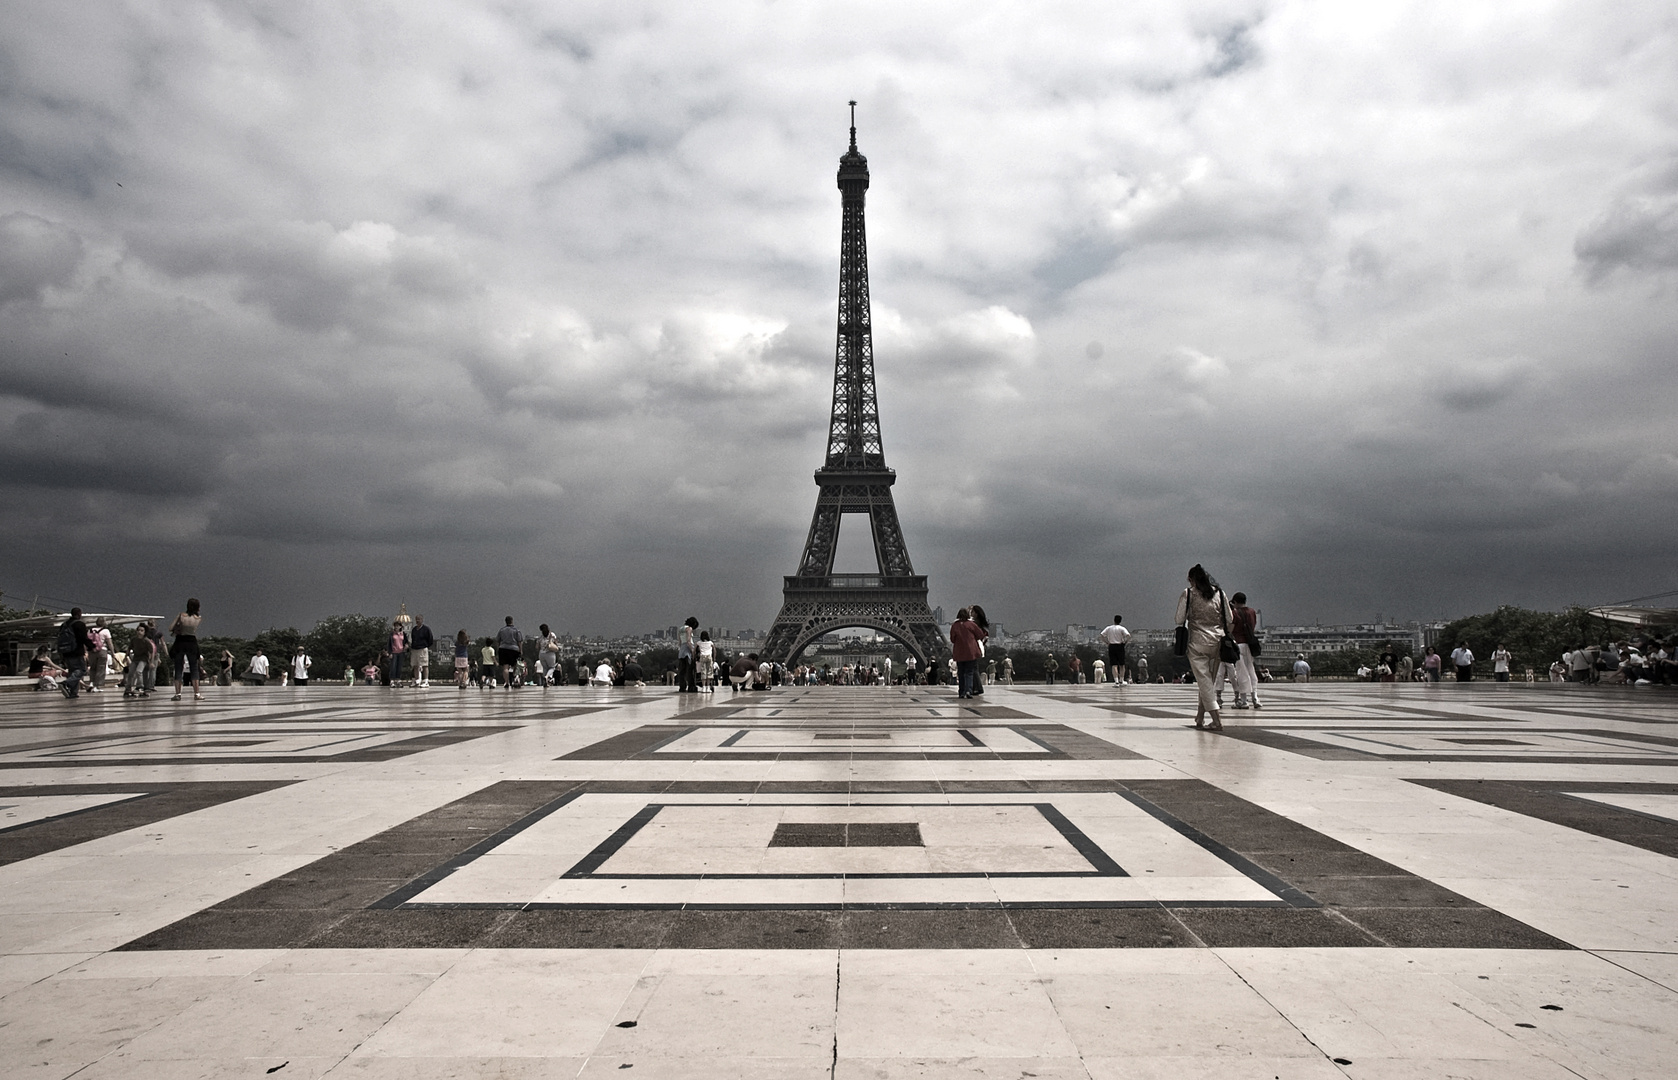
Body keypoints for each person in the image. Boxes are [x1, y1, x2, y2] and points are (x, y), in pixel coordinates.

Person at [1176, 566, 1233, 730]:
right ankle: (1200, 717)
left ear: (1191, 580)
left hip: (1197, 642)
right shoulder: (1220, 594)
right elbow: (1229, 617)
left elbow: (1179, 619)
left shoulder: (1188, 594)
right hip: (1217, 642)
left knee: (1204, 682)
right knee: (1207, 682)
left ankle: (1216, 719)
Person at [1229, 592, 1263, 710]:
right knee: (1251, 670)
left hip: (1239, 644)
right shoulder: (1252, 612)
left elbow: (1231, 629)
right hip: (1250, 644)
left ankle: (1243, 700)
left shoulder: (1234, 613)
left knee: (1241, 672)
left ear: (1235, 602)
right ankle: (1255, 696)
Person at [168, 599, 204, 701]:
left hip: (180, 642)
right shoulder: (198, 618)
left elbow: (170, 628)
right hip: (191, 642)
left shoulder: (181, 616)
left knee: (178, 668)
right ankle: (197, 693)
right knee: (194, 668)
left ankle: (178, 693)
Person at [950, 607, 988, 698]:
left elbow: (952, 639)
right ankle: (969, 691)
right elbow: (980, 635)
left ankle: (961, 692)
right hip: (971, 652)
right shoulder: (971, 624)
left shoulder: (955, 625)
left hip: (959, 652)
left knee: (961, 673)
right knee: (969, 672)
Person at [56, 607, 89, 700]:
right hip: (76, 651)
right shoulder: (79, 624)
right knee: (82, 670)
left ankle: (73, 693)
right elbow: (83, 638)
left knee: (72, 671)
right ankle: (66, 683)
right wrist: (91, 646)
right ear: (79, 614)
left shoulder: (64, 625)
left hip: (65, 651)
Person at [1098, 616, 1131, 685]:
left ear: (1114, 620)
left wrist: (1107, 642)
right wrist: (1125, 642)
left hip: (1112, 646)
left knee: (1114, 664)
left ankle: (1116, 680)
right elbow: (1128, 636)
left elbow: (1101, 635)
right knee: (1122, 664)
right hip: (1120, 646)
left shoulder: (1109, 628)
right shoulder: (1122, 628)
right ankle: (1121, 680)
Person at [495, 616, 523, 690]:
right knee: (515, 666)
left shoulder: (501, 630)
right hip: (514, 649)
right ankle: (515, 679)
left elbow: (498, 640)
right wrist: (520, 650)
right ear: (512, 621)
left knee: (505, 667)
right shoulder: (516, 630)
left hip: (503, 649)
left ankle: (506, 682)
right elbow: (519, 641)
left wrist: (499, 648)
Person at [124, 627, 154, 697]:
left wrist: (151, 662)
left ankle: (140, 686)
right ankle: (128, 687)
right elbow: (129, 648)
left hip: (143, 659)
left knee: (139, 671)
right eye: (138, 630)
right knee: (130, 673)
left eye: (141, 631)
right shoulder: (134, 640)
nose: (139, 632)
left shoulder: (146, 641)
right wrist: (126, 656)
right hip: (135, 658)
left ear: (144, 632)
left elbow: (151, 651)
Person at [409, 615, 434, 687]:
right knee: (415, 665)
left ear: (422, 620)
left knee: (424, 665)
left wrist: (425, 645)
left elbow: (430, 639)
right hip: (415, 649)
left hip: (422, 649)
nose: (417, 621)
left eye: (419, 619)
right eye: (416, 619)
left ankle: (425, 680)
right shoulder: (414, 629)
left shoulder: (426, 629)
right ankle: (417, 680)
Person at [88, 617, 112, 692]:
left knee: (93, 668)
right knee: (101, 668)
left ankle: (91, 683)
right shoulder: (105, 631)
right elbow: (109, 642)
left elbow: (87, 641)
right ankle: (97, 686)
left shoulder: (90, 630)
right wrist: (113, 652)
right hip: (102, 650)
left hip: (92, 651)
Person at [677, 616, 699, 692]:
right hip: (687, 649)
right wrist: (693, 651)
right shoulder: (689, 629)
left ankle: (682, 686)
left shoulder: (680, 629)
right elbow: (689, 641)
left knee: (682, 670)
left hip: (682, 650)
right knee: (690, 669)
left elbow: (679, 641)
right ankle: (691, 686)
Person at [388, 621, 408, 687]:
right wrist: (390, 652)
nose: (396, 627)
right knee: (393, 667)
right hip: (394, 652)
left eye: (398, 626)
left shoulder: (403, 634)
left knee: (399, 667)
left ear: (400, 626)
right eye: (395, 626)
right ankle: (392, 680)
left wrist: (406, 646)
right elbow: (389, 644)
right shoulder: (392, 634)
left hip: (401, 652)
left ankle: (398, 680)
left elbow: (406, 641)